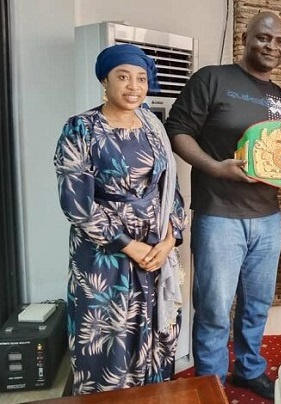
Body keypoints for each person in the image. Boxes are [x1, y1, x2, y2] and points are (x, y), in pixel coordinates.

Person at [164, 12, 281, 400]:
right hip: (219, 215)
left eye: (279, 42)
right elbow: (178, 132)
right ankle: (211, 382)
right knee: (214, 308)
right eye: (263, 38)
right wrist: (216, 168)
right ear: (245, 37)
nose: (271, 47)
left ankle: (249, 368)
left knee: (257, 305)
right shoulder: (211, 79)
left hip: (268, 217)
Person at [54, 44, 187, 394]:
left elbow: (169, 187)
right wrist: (130, 246)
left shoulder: (153, 126)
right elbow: (77, 204)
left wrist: (170, 239)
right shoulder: (80, 128)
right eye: (123, 76)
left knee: (156, 335)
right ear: (105, 80)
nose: (133, 86)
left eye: (141, 78)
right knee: (108, 338)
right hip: (104, 258)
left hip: (155, 249)